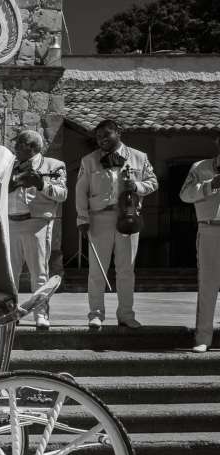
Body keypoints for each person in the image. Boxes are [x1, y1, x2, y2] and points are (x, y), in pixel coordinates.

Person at [75, 119, 157, 330]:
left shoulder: (139, 157)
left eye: (106, 134)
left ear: (118, 133)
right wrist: (82, 218)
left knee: (126, 270)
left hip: (128, 217)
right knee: (97, 270)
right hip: (98, 218)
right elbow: (80, 192)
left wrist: (137, 186)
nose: (102, 139)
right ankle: (96, 315)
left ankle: (126, 315)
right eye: (98, 136)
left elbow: (153, 183)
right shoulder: (89, 161)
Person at [8, 130, 67, 330]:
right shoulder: (9, 166)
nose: (15, 148)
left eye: (19, 144)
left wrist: (41, 184)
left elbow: (62, 194)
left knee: (39, 273)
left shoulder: (54, 166)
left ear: (32, 147)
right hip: (11, 223)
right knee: (10, 273)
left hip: (37, 223)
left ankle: (40, 315)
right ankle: (10, 313)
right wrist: (13, 183)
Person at [180, 131, 220, 353]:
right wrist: (210, 185)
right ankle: (203, 337)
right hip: (209, 229)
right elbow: (185, 195)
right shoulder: (200, 167)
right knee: (208, 286)